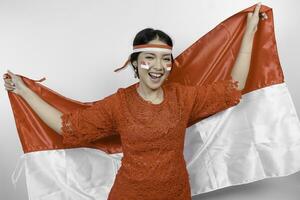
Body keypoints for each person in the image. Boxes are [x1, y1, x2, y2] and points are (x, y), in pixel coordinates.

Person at [3, 3, 267, 200]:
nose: (158, 65)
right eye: (149, 57)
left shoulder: (183, 97)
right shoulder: (119, 104)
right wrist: (25, 92)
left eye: (165, 59)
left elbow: (233, 90)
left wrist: (249, 32)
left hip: (176, 194)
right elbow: (68, 128)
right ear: (135, 63)